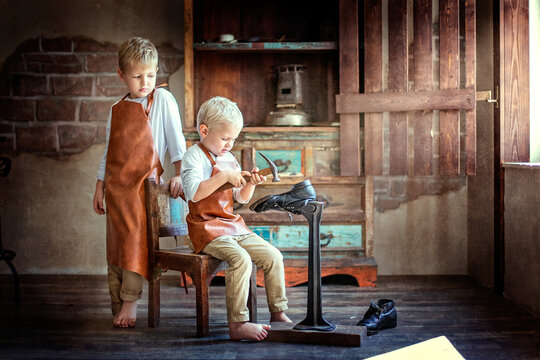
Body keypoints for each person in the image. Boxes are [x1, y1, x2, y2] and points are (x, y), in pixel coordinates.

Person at [92, 37, 186, 328]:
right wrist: (99, 185)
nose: (145, 82)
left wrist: (180, 173)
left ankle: (130, 302)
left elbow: (176, 142)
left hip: (145, 188)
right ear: (122, 75)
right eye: (137, 76)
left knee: (134, 241)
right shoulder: (116, 108)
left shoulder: (163, 101)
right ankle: (117, 303)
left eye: (151, 74)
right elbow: (109, 150)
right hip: (116, 188)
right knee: (116, 246)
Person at [181, 96, 291, 341]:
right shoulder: (194, 157)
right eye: (224, 138)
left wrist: (250, 183)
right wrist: (224, 177)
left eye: (234, 139)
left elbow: (240, 198)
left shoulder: (229, 158)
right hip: (205, 228)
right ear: (204, 130)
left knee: (273, 255)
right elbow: (194, 193)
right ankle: (238, 323)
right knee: (241, 259)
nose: (229, 144)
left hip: (230, 225)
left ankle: (278, 312)